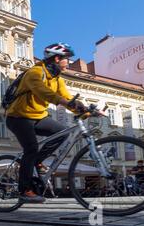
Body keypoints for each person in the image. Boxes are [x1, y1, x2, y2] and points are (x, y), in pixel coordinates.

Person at [5, 43, 91, 203]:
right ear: (57, 59)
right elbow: (43, 92)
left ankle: (37, 161)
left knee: (63, 133)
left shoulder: (58, 80)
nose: (68, 62)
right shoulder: (35, 72)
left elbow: (67, 98)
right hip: (18, 117)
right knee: (31, 148)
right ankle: (24, 190)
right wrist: (64, 103)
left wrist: (86, 112)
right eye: (67, 59)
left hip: (38, 117)